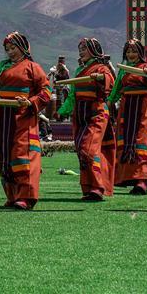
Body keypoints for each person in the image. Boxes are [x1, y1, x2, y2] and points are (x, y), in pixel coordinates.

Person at [0, 32, 51, 210]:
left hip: (23, 115)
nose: (10, 52)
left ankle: (26, 196)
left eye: (13, 48)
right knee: (5, 154)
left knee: (22, 153)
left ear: (23, 47)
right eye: (7, 49)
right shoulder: (3, 66)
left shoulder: (33, 67)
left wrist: (31, 102)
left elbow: (46, 91)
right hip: (3, 114)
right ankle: (12, 195)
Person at [57, 38, 116, 201]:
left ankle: (98, 186)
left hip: (96, 112)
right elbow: (73, 95)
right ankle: (90, 189)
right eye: (79, 48)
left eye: (84, 48)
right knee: (82, 152)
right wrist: (62, 110)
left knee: (88, 149)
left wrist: (100, 77)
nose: (81, 51)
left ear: (93, 50)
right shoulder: (79, 71)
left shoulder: (102, 68)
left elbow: (110, 81)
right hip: (80, 115)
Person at [107, 39, 147, 195]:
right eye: (128, 52)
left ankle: (142, 180)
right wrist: (109, 102)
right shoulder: (124, 69)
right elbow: (117, 88)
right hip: (126, 107)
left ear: (140, 53)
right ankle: (129, 178)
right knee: (126, 141)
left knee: (141, 141)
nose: (131, 54)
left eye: (134, 51)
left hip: (143, 108)